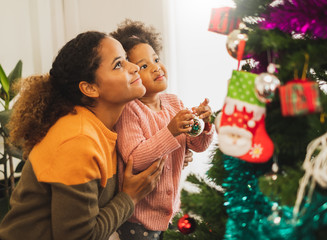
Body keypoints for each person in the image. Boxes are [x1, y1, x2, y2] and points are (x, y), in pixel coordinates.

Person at [0, 31, 166, 240]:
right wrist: (130, 198)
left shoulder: (110, 127)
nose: (133, 67)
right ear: (89, 88)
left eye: (126, 59)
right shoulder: (78, 141)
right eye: (118, 64)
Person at [111, 20, 214, 239]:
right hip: (138, 221)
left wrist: (204, 126)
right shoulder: (130, 110)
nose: (157, 67)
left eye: (156, 59)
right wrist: (171, 131)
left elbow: (197, 146)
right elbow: (135, 158)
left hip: (173, 214)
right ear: (130, 74)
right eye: (144, 66)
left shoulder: (174, 102)